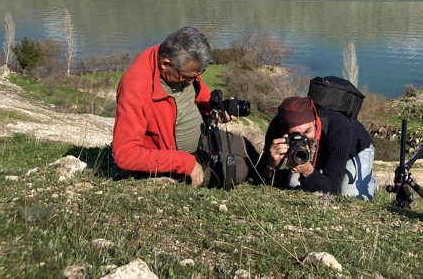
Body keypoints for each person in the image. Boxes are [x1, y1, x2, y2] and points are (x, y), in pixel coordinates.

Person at [113, 26, 253, 187]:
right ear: (165, 64)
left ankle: (275, 178)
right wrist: (184, 163)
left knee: (245, 147)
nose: (191, 82)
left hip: (203, 135)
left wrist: (217, 111)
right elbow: (125, 154)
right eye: (187, 77)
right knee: (239, 167)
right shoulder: (136, 87)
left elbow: (201, 97)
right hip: (173, 160)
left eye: (196, 76)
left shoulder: (177, 59)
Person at [258, 95, 378, 200]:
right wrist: (270, 164)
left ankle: (371, 182)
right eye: (295, 135)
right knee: (295, 188)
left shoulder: (339, 127)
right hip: (319, 151)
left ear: (315, 121)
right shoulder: (276, 128)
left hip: (353, 149)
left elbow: (331, 190)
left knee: (352, 197)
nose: (303, 139)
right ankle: (293, 175)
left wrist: (307, 171)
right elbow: (258, 179)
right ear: (284, 131)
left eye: (307, 131)